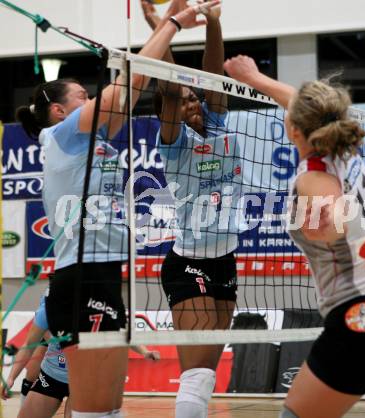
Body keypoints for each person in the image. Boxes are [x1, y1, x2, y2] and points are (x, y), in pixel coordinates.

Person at [14, 2, 219, 417]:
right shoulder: (61, 135)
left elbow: (143, 83)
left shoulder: (96, 141)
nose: (90, 99)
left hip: (104, 276)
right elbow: (129, 85)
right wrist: (173, 24)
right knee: (94, 412)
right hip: (83, 278)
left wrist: (166, 24)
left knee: (106, 410)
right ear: (59, 111)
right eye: (82, 96)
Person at [224, 55, 365, 418]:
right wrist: (255, 78)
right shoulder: (345, 149)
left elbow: (331, 225)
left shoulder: (313, 176)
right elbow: (300, 102)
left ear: (293, 130)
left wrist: (325, 218)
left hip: (361, 315)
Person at [142, 1, 241, 417]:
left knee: (207, 374)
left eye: (194, 98)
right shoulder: (174, 141)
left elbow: (212, 73)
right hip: (190, 264)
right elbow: (169, 86)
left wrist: (213, 22)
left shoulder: (216, 123)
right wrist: (167, 25)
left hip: (226, 260)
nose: (192, 103)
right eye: (184, 102)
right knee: (195, 373)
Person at [0, 293, 160, 418]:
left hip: (85, 381)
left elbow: (122, 334)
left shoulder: (98, 307)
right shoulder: (49, 308)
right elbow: (29, 346)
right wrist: (11, 378)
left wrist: (145, 352)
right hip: (51, 376)